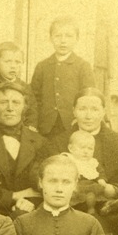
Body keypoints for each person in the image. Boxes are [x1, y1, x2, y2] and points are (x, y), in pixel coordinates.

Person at [69, 87, 118, 235]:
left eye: (95, 109)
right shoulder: (59, 141)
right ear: (74, 111)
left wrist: (116, 189)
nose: (88, 115)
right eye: (82, 108)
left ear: (104, 112)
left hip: (109, 214)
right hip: (70, 206)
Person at [29, 16, 96, 144]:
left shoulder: (83, 66)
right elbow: (33, 98)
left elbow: (89, 98)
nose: (63, 41)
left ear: (76, 39)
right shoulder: (43, 66)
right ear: (51, 38)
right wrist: (33, 123)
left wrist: (80, 119)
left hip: (72, 126)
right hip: (45, 127)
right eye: (58, 36)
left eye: (68, 36)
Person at [0, 82, 45, 218]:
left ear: (24, 107)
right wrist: (13, 196)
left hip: (29, 208)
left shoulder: (39, 142)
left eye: (16, 103)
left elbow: (42, 183)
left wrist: (27, 202)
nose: (10, 108)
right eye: (3, 102)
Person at [66, 130, 108, 214]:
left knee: (100, 194)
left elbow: (100, 172)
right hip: (77, 188)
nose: (86, 151)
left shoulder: (92, 162)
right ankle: (90, 208)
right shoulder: (69, 160)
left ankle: (106, 206)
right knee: (80, 197)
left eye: (90, 148)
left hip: (91, 186)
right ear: (71, 148)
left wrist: (101, 179)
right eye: (82, 147)